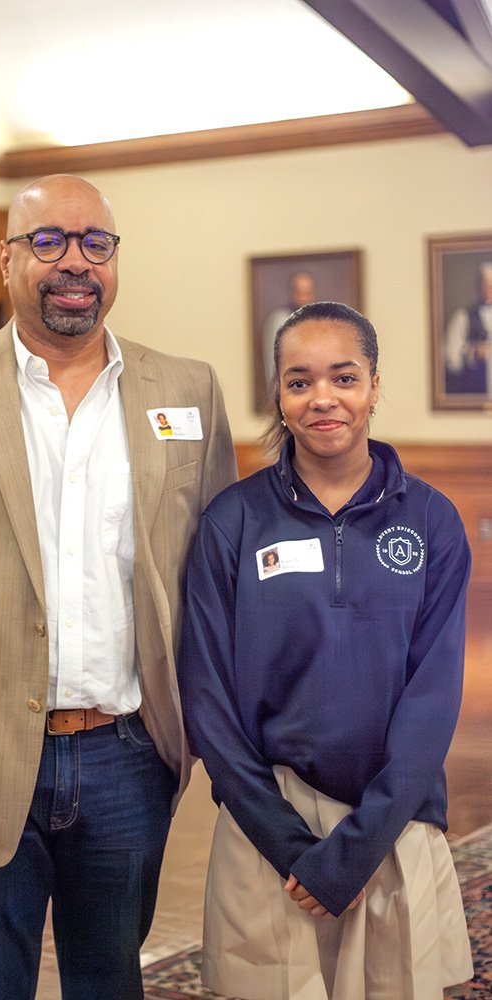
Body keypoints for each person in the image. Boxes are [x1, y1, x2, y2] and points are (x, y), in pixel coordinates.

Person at [0, 174, 237, 1000]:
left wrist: (214, 731)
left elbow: (213, 583)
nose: (74, 262)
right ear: (7, 260)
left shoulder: (188, 393)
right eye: (48, 242)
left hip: (129, 758)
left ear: (115, 260)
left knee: (108, 981)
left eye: (95, 242)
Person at [179, 301, 473, 1000]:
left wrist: (361, 845)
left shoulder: (430, 519)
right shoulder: (233, 521)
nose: (322, 400)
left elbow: (432, 696)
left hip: (391, 823)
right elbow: (206, 697)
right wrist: (288, 845)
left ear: (373, 385)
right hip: (268, 828)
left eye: (342, 378)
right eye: (298, 381)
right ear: (277, 397)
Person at [262, 270, 316, 387]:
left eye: (307, 292)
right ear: (293, 293)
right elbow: (274, 360)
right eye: (300, 292)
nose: (304, 297)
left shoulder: (319, 321)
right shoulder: (280, 319)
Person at [445, 261, 492, 394]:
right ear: (478, 287)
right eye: (486, 284)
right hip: (474, 393)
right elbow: (451, 358)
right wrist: (473, 352)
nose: (489, 289)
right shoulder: (463, 316)